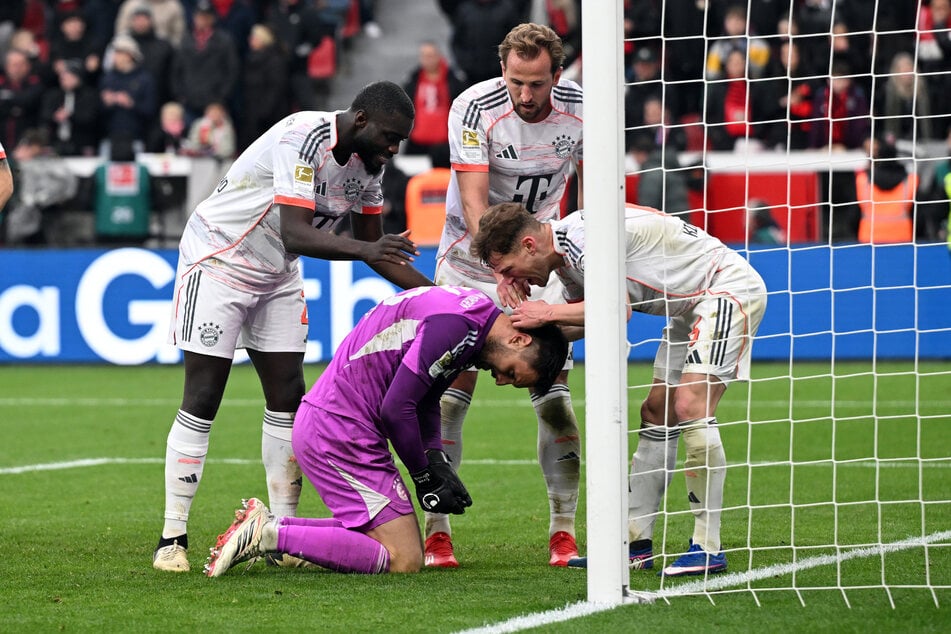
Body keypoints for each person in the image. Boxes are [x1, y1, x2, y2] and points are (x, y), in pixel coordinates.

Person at [152, 80, 433, 573]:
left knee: (288, 396)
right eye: (390, 136)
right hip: (219, 259)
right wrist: (369, 249)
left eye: (401, 141)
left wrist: (440, 300)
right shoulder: (302, 136)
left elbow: (375, 248)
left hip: (277, 273)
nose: (394, 148)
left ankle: (281, 535)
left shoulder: (370, 169)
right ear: (360, 120)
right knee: (203, 396)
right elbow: (297, 231)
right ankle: (172, 536)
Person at [470, 201, 767, 577]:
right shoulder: (567, 259)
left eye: (510, 270)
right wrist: (516, 335)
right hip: (688, 306)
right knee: (656, 412)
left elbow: (616, 307)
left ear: (530, 245)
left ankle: (708, 546)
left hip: (725, 289)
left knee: (691, 405)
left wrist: (545, 313)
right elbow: (587, 320)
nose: (516, 281)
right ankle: (634, 544)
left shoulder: (582, 239)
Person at [203, 284, 569, 577]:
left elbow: (424, 401)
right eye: (515, 374)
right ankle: (268, 535)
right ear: (520, 340)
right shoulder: (459, 327)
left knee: (386, 541)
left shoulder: (472, 316)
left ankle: (273, 527)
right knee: (404, 558)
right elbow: (396, 410)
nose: (503, 381)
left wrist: (437, 460)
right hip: (339, 432)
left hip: (341, 426)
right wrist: (423, 477)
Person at [430, 22, 584, 568]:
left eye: (537, 84)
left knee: (554, 396)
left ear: (556, 75)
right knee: (447, 398)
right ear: (503, 70)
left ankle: (563, 533)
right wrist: (496, 267)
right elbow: (475, 202)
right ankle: (437, 530)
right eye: (516, 81)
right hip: (473, 264)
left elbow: (586, 199)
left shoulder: (584, 109)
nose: (525, 95)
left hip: (542, 261)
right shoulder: (474, 108)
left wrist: (567, 261)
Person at [400, 40, 464, 157]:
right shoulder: (413, 80)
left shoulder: (454, 80)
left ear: (439, 56)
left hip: (445, 142)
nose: (428, 60)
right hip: (418, 141)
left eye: (431, 55)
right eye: (424, 56)